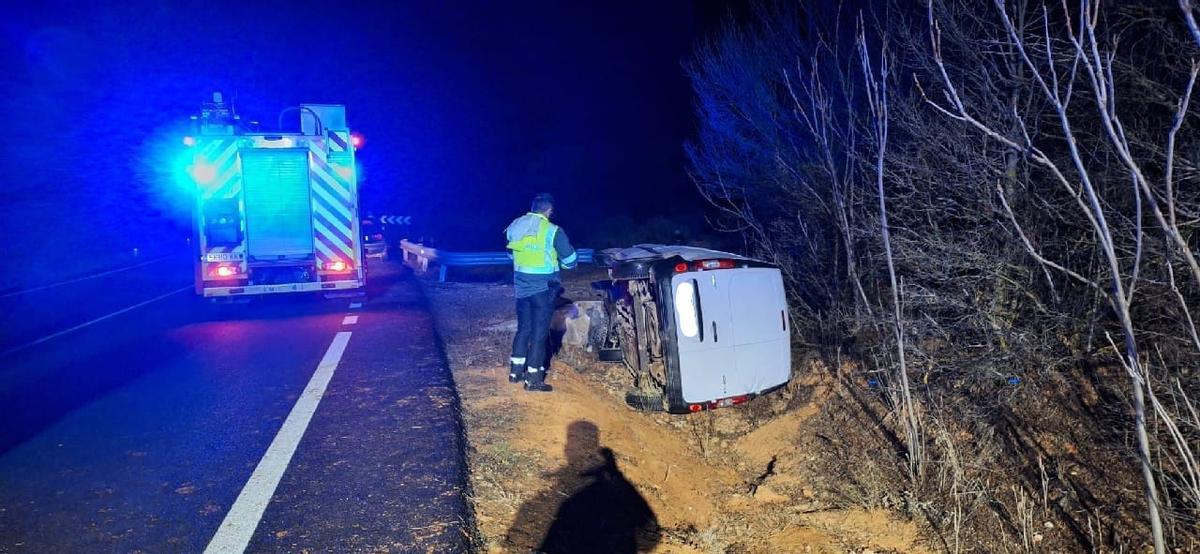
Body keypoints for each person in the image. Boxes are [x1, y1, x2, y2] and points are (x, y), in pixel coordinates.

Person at [506, 193, 577, 392]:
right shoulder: (552, 230)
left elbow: (510, 252)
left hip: (521, 287)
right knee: (539, 334)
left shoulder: (515, 225)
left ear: (532, 207)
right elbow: (570, 260)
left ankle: (515, 373)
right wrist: (564, 263)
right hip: (544, 289)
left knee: (523, 329)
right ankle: (534, 379)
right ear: (550, 211)